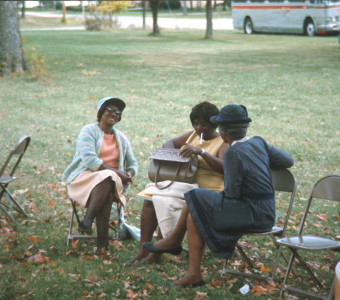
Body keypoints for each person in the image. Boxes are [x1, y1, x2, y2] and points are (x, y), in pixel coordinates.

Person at [143, 104, 294, 286]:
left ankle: (174, 240)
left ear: (223, 133)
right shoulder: (258, 142)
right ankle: (193, 274)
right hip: (267, 212)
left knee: (195, 196)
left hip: (252, 215)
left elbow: (231, 194)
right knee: (194, 207)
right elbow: (288, 160)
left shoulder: (233, 153)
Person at [129, 102, 229, 264]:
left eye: (203, 124)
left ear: (213, 123)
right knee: (149, 201)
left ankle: (157, 253)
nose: (199, 128)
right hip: (181, 184)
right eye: (196, 124)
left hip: (206, 190)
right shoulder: (193, 135)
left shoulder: (222, 142)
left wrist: (201, 152)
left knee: (165, 201)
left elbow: (224, 167)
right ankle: (144, 250)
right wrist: (177, 154)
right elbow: (168, 144)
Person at [62, 97, 138, 255]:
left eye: (118, 112)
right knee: (108, 183)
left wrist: (128, 174)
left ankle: (87, 222)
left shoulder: (122, 138)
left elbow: (133, 164)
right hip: (83, 179)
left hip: (111, 181)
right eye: (110, 109)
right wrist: (117, 173)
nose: (114, 113)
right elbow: (89, 159)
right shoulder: (88, 131)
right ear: (100, 111)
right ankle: (102, 245)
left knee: (108, 178)